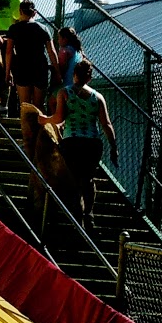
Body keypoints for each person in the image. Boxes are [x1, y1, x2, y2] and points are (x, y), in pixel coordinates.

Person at [38, 58, 117, 228]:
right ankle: (89, 213)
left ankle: (76, 217)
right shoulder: (98, 97)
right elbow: (106, 124)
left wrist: (44, 120)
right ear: (89, 78)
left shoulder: (65, 93)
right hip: (92, 143)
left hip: (72, 141)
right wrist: (113, 146)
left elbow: (59, 118)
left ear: (74, 75)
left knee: (73, 179)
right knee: (88, 179)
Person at [5, 0, 58, 144]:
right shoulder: (43, 28)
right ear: (34, 12)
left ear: (20, 11)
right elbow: (51, 51)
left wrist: (7, 71)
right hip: (39, 67)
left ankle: (27, 138)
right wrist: (57, 70)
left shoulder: (14, 29)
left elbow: (9, 52)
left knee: (25, 105)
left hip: (21, 67)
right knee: (39, 105)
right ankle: (40, 139)